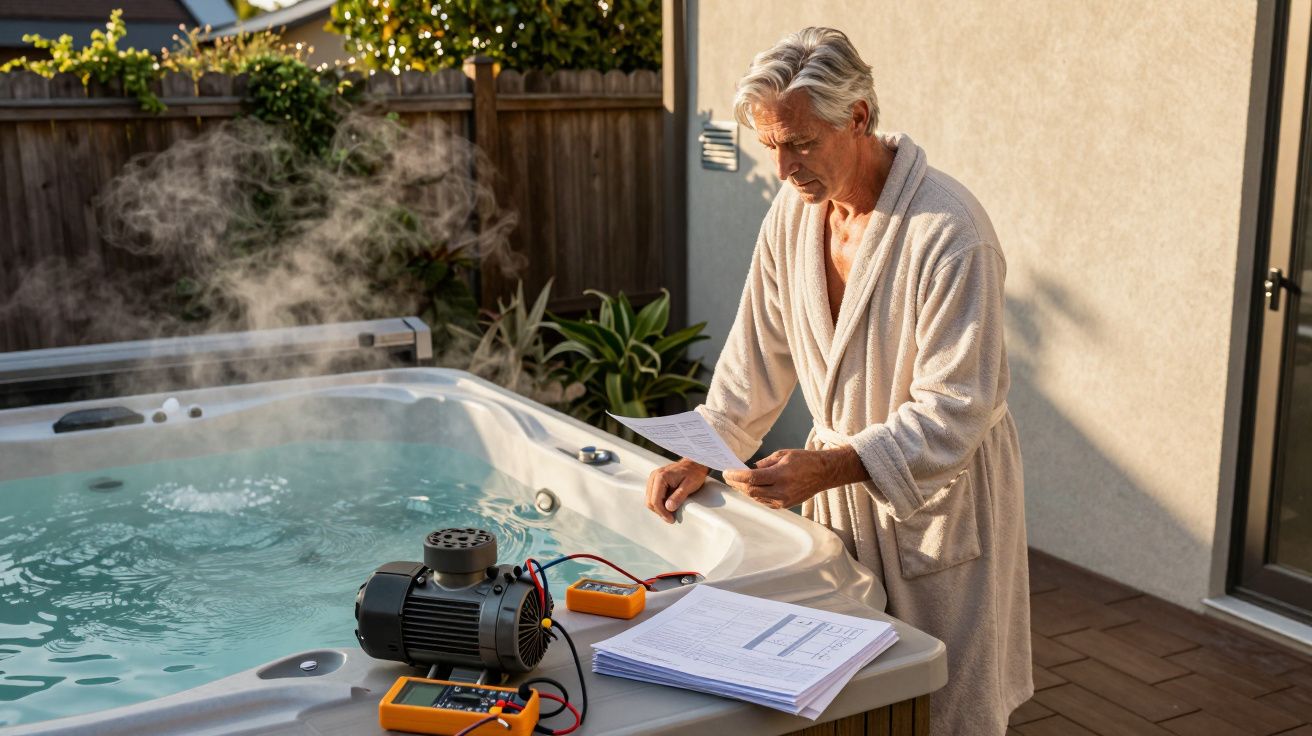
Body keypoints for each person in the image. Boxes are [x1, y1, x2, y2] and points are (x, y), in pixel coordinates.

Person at [644, 27, 1031, 735]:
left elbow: (954, 411)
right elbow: (754, 356)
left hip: (934, 503)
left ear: (856, 117)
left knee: (943, 708)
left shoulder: (949, 233)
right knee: (843, 699)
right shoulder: (793, 216)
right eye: (771, 146)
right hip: (839, 496)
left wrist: (830, 466)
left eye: (799, 143)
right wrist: (705, 448)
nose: (784, 167)